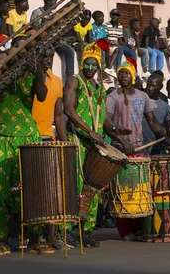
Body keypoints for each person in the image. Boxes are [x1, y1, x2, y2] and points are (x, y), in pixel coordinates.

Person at [0, 45, 47, 255]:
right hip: (0, 136)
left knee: (32, 188)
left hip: (27, 135)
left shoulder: (35, 71)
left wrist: (37, 73)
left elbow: (42, 96)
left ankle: (35, 237)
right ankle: (1, 239)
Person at [106, 59, 165, 238]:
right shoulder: (112, 97)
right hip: (119, 148)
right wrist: (123, 142)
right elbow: (107, 123)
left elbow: (152, 121)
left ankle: (139, 228)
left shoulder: (142, 96)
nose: (123, 75)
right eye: (121, 72)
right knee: (123, 192)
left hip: (140, 148)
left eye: (127, 73)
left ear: (133, 76)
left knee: (140, 191)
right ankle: (125, 231)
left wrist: (163, 137)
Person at [63, 40, 110, 247]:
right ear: (82, 63)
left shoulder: (100, 88)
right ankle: (65, 230)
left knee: (93, 187)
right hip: (78, 140)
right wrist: (89, 132)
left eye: (94, 65)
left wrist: (115, 132)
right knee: (73, 185)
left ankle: (86, 230)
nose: (90, 68)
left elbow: (103, 118)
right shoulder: (74, 81)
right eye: (87, 64)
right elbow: (68, 110)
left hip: (95, 144)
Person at [32, 48, 66, 142]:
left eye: (51, 57)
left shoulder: (57, 81)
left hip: (47, 137)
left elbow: (58, 115)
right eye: (44, 56)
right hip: (25, 137)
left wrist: (66, 144)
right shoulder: (26, 79)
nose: (49, 60)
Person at [142, 74, 170, 154]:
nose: (149, 88)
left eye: (153, 86)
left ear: (160, 86)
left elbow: (168, 129)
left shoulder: (166, 107)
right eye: (148, 85)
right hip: (140, 146)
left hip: (156, 147)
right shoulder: (139, 103)